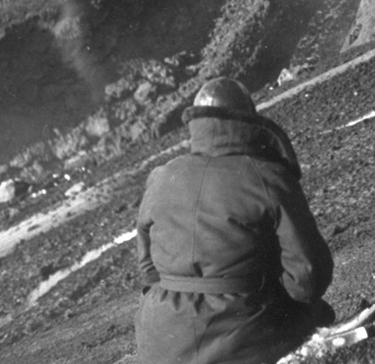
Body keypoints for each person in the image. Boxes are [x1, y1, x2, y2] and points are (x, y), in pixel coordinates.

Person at [135, 77, 334, 364]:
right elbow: (307, 278)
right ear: (248, 120)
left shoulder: (162, 176)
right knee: (316, 314)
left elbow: (146, 268)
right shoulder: (267, 176)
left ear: (196, 124)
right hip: (240, 339)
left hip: (160, 344)